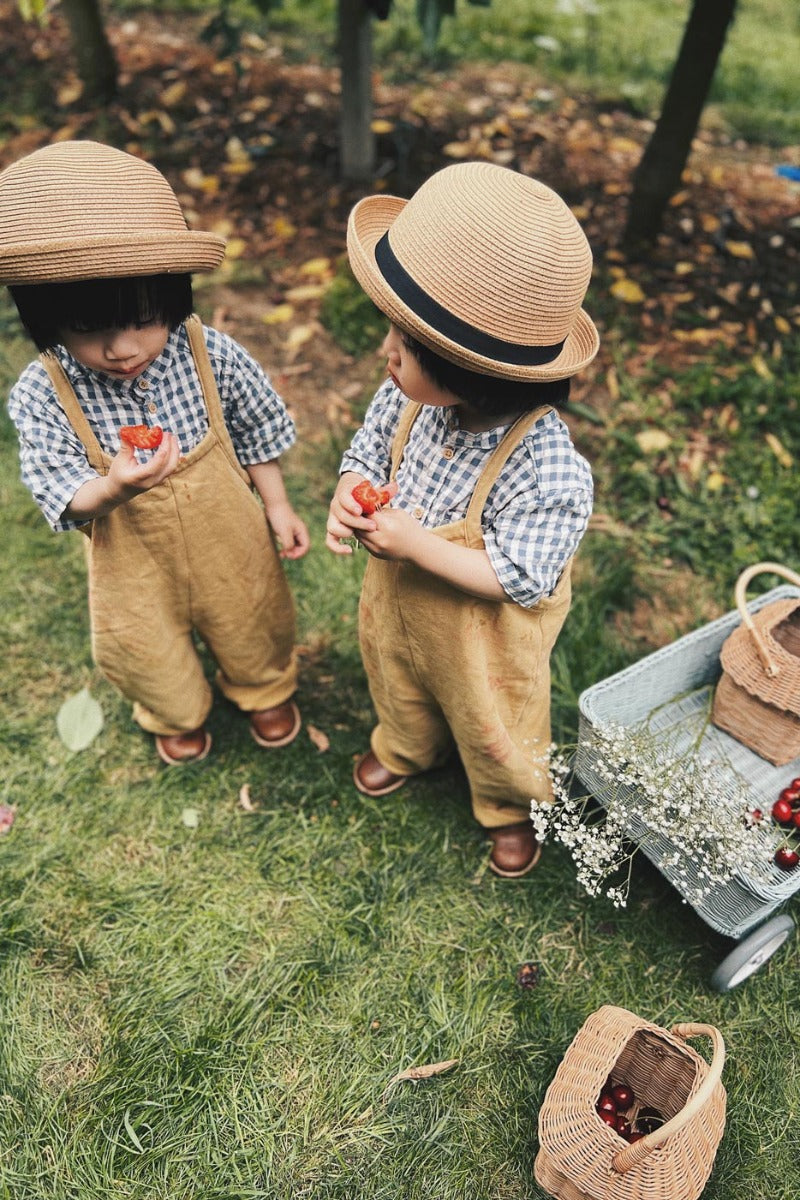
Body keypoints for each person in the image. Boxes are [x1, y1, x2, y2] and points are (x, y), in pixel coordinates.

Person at [326, 161, 599, 877]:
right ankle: (406, 746)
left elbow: (518, 577)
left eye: (407, 347)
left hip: (486, 639)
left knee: (495, 723)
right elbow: (369, 451)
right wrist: (351, 490)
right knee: (398, 679)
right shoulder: (408, 395)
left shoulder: (545, 467)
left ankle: (507, 806)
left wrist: (414, 543)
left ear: (471, 373)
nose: (387, 353)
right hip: (399, 608)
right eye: (394, 330)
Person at [1, 140, 309, 765]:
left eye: (143, 320)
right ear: (46, 322)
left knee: (252, 607)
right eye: (91, 331)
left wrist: (276, 506)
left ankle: (261, 685)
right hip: (131, 553)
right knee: (142, 639)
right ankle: (174, 708)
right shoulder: (43, 393)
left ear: (173, 297)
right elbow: (61, 489)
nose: (122, 349)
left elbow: (254, 429)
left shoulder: (207, 352)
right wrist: (113, 487)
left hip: (229, 530)